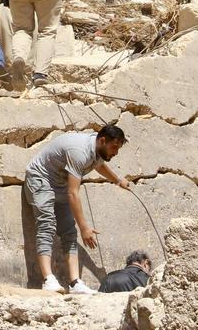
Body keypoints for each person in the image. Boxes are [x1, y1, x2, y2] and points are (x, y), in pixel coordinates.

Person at [24, 125, 129, 295]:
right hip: (40, 179)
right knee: (47, 225)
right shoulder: (79, 152)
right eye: (114, 147)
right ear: (103, 140)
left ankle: (74, 283)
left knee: (69, 232)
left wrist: (117, 180)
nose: (116, 153)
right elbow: (73, 193)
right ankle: (48, 279)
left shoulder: (97, 148)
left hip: (59, 183)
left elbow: (99, 165)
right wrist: (85, 228)